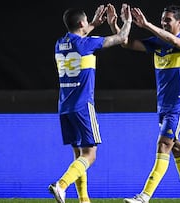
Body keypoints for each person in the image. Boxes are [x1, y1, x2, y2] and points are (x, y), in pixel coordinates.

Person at [107, 4, 180, 203]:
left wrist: (147, 25)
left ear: (179, 22)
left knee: (164, 145)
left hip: (179, 104)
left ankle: (144, 196)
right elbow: (126, 43)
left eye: (168, 20)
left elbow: (173, 40)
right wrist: (118, 25)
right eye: (163, 19)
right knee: (179, 150)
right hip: (163, 106)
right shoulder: (157, 44)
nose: (164, 23)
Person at [48, 4, 132, 203]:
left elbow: (79, 35)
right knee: (90, 155)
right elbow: (121, 39)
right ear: (81, 23)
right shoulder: (87, 44)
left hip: (64, 106)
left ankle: (84, 199)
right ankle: (61, 185)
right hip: (82, 105)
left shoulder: (59, 43)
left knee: (79, 155)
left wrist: (94, 22)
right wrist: (126, 20)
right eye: (86, 21)